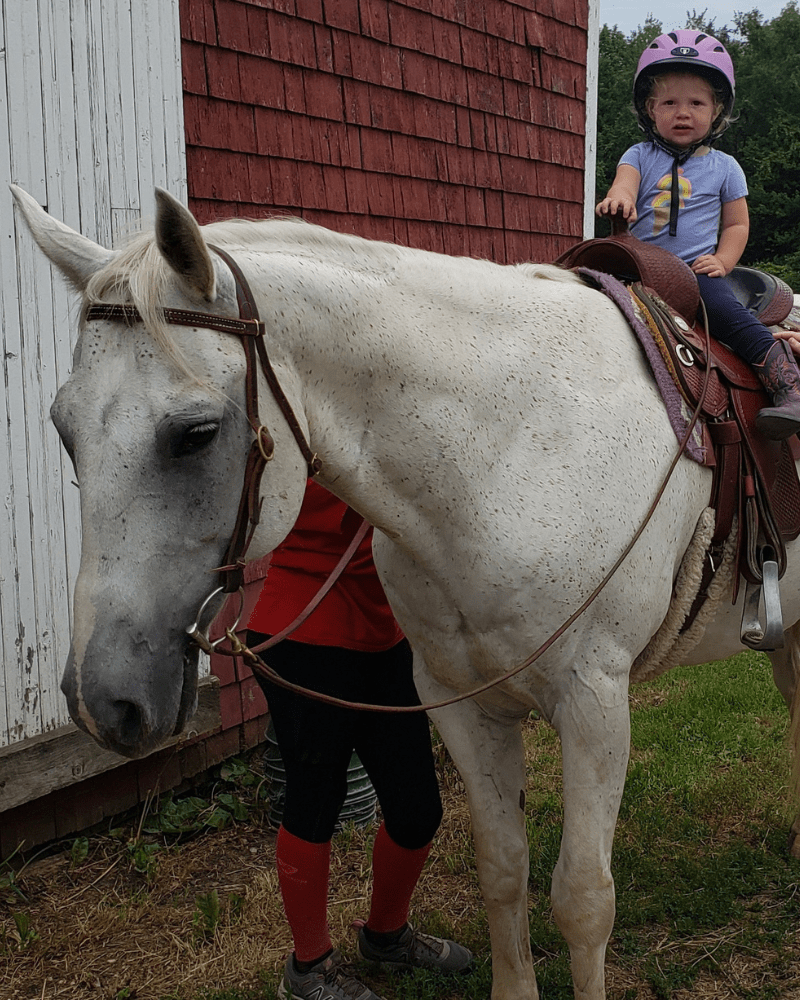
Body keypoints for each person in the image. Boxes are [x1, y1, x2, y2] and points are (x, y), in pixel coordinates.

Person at [245, 478, 472, 1000]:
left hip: (383, 628)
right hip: (305, 627)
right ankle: (309, 969)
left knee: (418, 809)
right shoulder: (307, 419)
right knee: (316, 800)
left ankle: (386, 935)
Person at [596, 28, 800, 440]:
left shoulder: (726, 167)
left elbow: (737, 224)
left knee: (731, 320)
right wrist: (618, 199)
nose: (682, 113)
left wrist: (722, 262)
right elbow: (625, 182)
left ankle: (789, 385)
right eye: (669, 102)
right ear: (650, 110)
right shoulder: (639, 155)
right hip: (640, 267)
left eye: (696, 103)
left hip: (695, 272)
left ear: (717, 111)